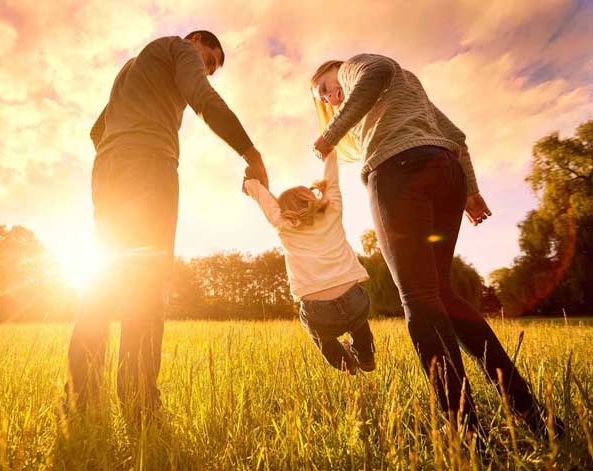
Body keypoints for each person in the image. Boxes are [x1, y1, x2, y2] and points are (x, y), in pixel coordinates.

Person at [309, 54, 559, 437]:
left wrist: (331, 133)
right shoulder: (407, 89)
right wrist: (471, 191)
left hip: (398, 172)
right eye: (323, 99)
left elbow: (373, 72)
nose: (329, 97)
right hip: (445, 173)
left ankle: (464, 430)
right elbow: (456, 137)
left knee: (418, 297)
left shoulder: (356, 66)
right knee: (441, 292)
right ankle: (529, 412)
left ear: (336, 70)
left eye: (325, 88)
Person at [68, 30, 269, 412]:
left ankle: (81, 398)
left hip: (108, 168)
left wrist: (120, 150)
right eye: (208, 61)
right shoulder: (179, 48)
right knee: (147, 283)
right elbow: (203, 98)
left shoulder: (132, 68)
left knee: (102, 282)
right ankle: (140, 400)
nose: (206, 70)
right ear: (195, 42)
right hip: (148, 168)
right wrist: (250, 152)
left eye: (210, 68)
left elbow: (97, 129)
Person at [244, 150, 373, 374]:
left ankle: (345, 364)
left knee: (319, 334)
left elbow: (264, 200)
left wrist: (250, 182)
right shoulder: (332, 209)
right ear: (312, 198)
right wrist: (329, 152)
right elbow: (332, 177)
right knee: (358, 320)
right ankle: (366, 355)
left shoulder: (282, 224)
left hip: (318, 310)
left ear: (283, 210)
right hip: (354, 300)